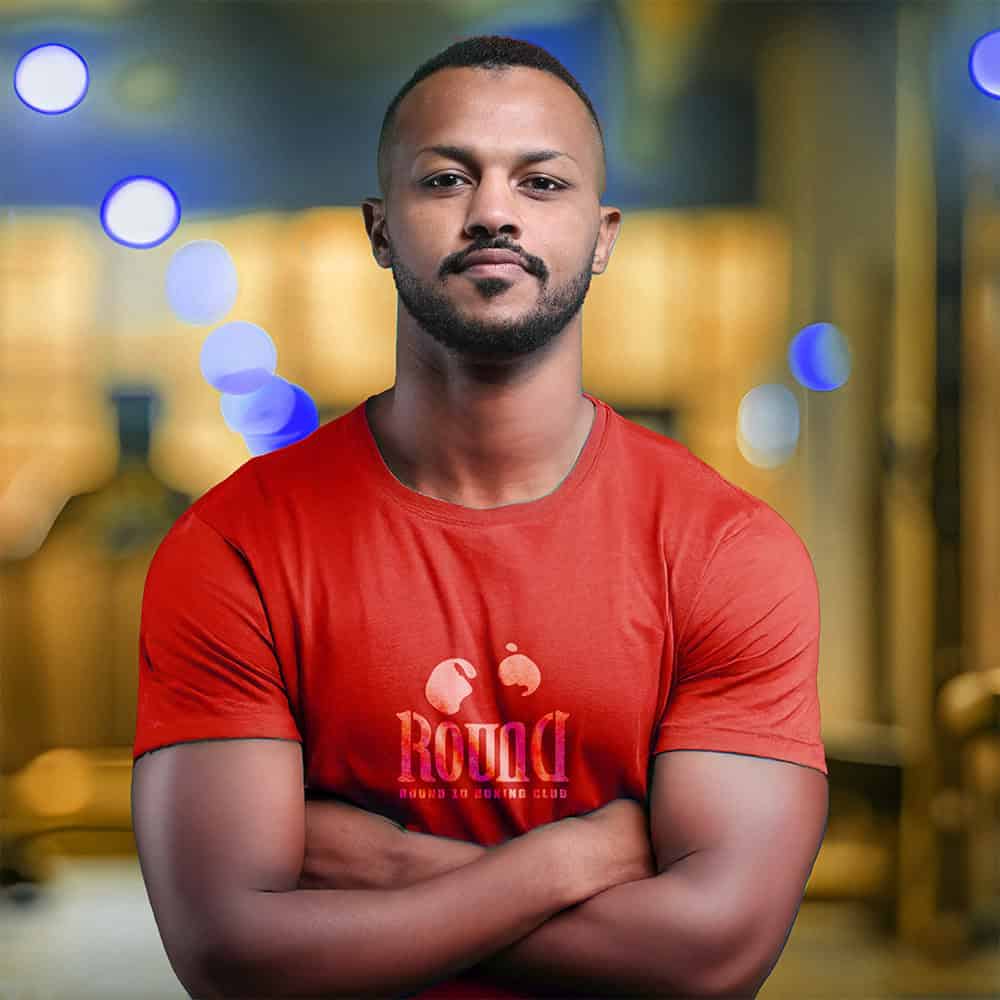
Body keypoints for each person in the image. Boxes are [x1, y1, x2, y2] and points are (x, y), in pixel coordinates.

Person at [131, 34, 829, 1000]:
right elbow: (231, 954)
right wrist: (571, 859)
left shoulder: (726, 553)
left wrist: (381, 866)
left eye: (542, 184)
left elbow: (708, 958)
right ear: (378, 229)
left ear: (604, 233)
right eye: (448, 178)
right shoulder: (234, 548)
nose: (493, 212)